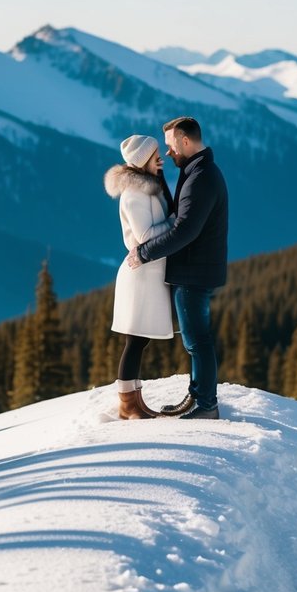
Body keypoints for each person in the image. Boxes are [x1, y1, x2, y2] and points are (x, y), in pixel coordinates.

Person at [127, 116, 228, 419]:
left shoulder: (200, 177)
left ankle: (207, 405)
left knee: (198, 340)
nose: (168, 153)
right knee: (195, 340)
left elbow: (185, 230)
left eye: (171, 147)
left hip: (194, 271)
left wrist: (144, 253)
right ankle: (197, 397)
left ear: (186, 141)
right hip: (195, 268)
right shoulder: (197, 171)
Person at [105, 134, 174, 419]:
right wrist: (175, 223)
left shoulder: (149, 189)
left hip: (148, 273)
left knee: (139, 339)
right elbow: (144, 237)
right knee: (135, 339)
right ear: (142, 160)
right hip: (140, 274)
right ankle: (127, 404)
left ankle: (134, 402)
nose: (160, 158)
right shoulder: (134, 194)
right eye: (155, 154)